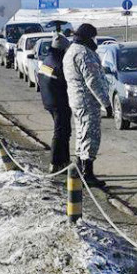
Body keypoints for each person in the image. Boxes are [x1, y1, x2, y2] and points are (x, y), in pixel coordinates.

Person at [65, 23, 111, 187]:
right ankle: (87, 172)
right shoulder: (84, 53)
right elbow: (93, 81)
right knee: (90, 135)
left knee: (81, 134)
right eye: (93, 37)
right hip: (87, 101)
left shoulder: (71, 50)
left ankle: (79, 167)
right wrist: (106, 103)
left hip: (77, 99)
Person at [38, 33, 72, 173]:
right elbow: (66, 84)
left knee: (64, 131)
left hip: (50, 101)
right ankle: (55, 162)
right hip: (59, 102)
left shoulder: (47, 60)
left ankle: (64, 161)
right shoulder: (59, 64)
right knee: (61, 132)